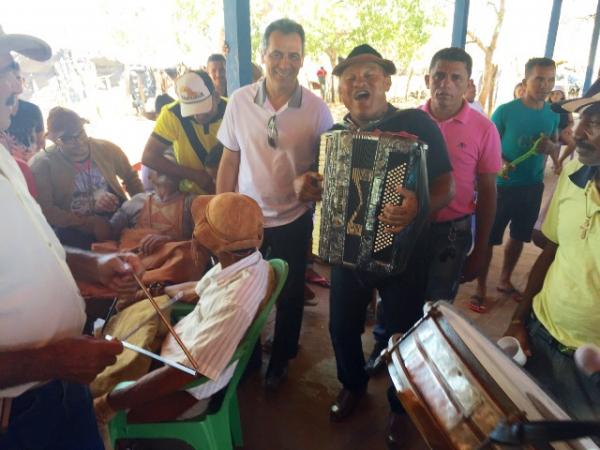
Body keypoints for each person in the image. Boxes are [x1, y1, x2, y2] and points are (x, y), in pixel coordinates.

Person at [0, 25, 143, 449]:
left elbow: (39, 245)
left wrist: (91, 263)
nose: (17, 85)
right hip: (18, 417)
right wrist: (53, 359)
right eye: (3, 71)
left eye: (14, 69)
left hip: (63, 386)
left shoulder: (6, 160)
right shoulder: (40, 165)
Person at [319, 44, 453, 424]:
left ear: (386, 82)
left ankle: (401, 404)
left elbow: (449, 185)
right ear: (341, 90)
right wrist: (306, 184)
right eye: (350, 78)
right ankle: (353, 385)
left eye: (369, 75)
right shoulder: (333, 136)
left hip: (405, 253)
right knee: (341, 326)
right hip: (349, 252)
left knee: (402, 331)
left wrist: (418, 207)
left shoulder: (417, 123)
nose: (359, 83)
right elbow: (323, 189)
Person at [216, 18, 333, 389]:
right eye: (277, 54)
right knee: (244, 290)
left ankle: (281, 357)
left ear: (302, 58)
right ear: (264, 55)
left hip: (294, 219)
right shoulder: (239, 101)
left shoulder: (317, 109)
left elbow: (329, 166)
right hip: (247, 219)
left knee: (290, 293)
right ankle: (248, 357)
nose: (285, 63)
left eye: (293, 55)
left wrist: (312, 177)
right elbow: (230, 159)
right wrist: (223, 213)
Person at [94, 194, 272, 436]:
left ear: (213, 242)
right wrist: (148, 293)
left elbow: (186, 373)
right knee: (120, 348)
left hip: (187, 390)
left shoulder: (234, 302)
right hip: (180, 357)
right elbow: (197, 289)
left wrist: (108, 404)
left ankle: (124, 437)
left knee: (93, 403)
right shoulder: (248, 261)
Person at [504, 83, 600, 420]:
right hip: (539, 334)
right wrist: (519, 319)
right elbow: (550, 252)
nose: (578, 133)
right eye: (578, 120)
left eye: (594, 122)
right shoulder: (575, 174)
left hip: (593, 367)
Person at [474, 58, 560, 309]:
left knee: (519, 236)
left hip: (532, 186)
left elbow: (555, 144)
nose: (545, 85)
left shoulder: (552, 113)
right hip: (501, 187)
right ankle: (479, 287)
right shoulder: (505, 111)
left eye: (550, 80)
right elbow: (487, 146)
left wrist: (552, 148)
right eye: (539, 79)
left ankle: (505, 279)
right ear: (525, 81)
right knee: (488, 238)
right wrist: (500, 162)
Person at [420, 48, 501, 310]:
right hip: (409, 226)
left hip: (453, 233)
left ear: (467, 85)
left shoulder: (484, 129)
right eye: (439, 76)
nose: (445, 84)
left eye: (456, 78)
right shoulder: (411, 121)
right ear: (427, 80)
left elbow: (488, 191)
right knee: (397, 297)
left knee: (437, 307)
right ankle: (390, 347)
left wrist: (480, 250)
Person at [29, 106, 143, 249]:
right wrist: (89, 223)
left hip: (117, 218)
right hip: (74, 229)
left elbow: (131, 178)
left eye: (81, 134)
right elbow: (46, 210)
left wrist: (146, 212)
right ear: (53, 139)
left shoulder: (106, 149)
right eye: (67, 139)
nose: (78, 142)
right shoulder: (42, 165)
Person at [142, 70, 226, 195]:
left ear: (216, 97)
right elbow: (149, 156)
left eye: (203, 107)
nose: (199, 115)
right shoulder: (172, 114)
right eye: (192, 109)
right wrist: (194, 175)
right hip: (191, 194)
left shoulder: (232, 109)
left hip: (230, 191)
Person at [6, 62, 44, 158]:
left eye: (18, 78)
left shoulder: (33, 110)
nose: (16, 82)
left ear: (23, 81)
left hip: (33, 163)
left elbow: (41, 142)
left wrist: (34, 152)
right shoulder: (2, 115)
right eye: (10, 79)